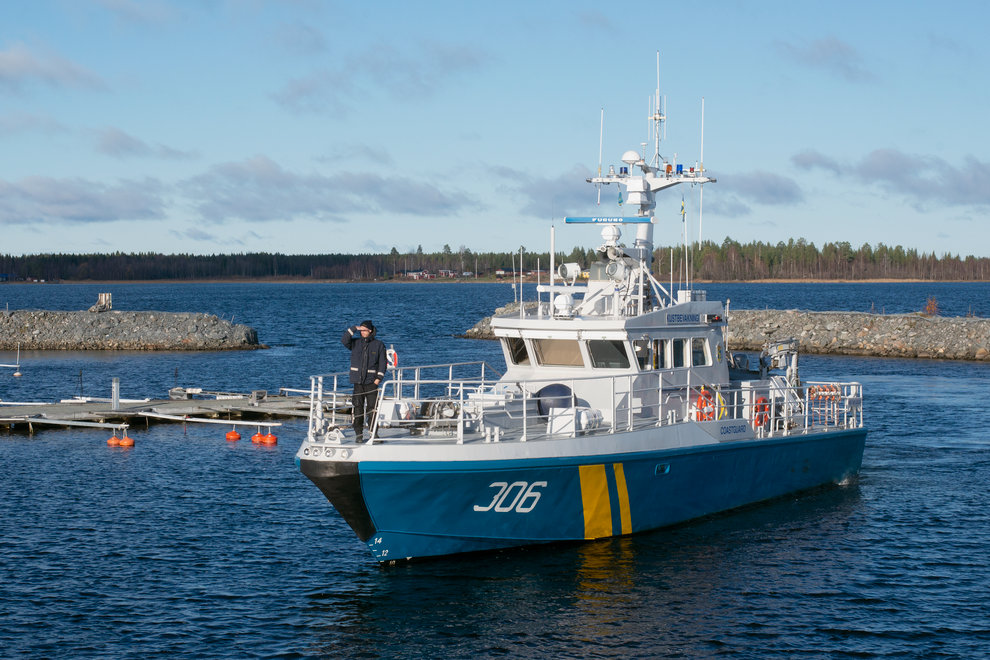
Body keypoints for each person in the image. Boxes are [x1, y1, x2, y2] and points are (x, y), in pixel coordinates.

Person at [341, 320, 387, 441]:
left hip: (372, 383)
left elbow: (383, 364)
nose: (362, 332)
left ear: (370, 331)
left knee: (372, 409)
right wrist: (354, 328)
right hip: (358, 382)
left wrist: (378, 379)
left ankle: (373, 433)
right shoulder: (355, 343)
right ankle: (359, 434)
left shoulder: (379, 345)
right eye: (361, 330)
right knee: (358, 409)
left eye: (364, 330)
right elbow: (344, 340)